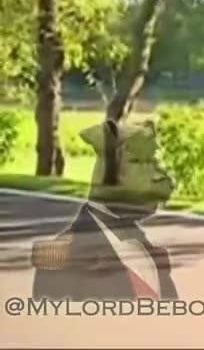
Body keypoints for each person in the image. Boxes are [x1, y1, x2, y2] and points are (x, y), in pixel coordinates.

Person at [30, 119, 178, 301]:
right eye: (141, 161)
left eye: (155, 163)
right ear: (107, 173)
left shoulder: (148, 251)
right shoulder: (66, 261)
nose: (159, 175)